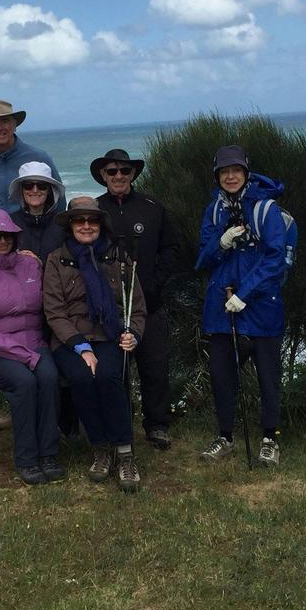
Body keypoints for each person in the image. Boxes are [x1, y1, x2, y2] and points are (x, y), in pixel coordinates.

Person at [43, 196, 146, 492]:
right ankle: (100, 448)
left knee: (109, 376)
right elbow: (54, 311)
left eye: (92, 220)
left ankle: (125, 452)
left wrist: (133, 334)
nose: (86, 225)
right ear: (70, 225)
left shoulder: (119, 258)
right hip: (70, 339)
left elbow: (136, 306)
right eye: (79, 220)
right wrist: (81, 347)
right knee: (81, 377)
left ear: (101, 224)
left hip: (110, 335)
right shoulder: (55, 259)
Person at [195, 145, 288, 467]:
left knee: (268, 377)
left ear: (246, 172)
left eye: (235, 170)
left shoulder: (266, 209)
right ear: (218, 176)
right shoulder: (214, 211)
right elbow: (202, 260)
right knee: (221, 376)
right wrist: (220, 244)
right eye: (224, 171)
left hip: (262, 307)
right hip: (221, 306)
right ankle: (225, 436)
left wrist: (246, 293)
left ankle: (269, 439)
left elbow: (276, 259)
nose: (230, 176)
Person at [0, 209, 64, 486]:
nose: (2, 240)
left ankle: (49, 453)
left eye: (7, 234)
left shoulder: (32, 266)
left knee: (50, 378)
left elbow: (49, 306)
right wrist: (20, 354)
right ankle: (27, 459)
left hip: (34, 343)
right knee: (24, 383)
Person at [92, 149, 181, 450]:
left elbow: (170, 249)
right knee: (116, 371)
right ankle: (120, 424)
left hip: (149, 305)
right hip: (109, 310)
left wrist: (154, 286)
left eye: (125, 171)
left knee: (154, 367)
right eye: (112, 171)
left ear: (133, 174)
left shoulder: (152, 207)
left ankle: (157, 425)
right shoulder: (94, 210)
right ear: (103, 175)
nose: (119, 176)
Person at [0, 100, 63, 214]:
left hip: (31, 230)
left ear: (15, 125)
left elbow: (59, 201)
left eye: (5, 121)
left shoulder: (39, 157)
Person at [8, 161, 66, 261]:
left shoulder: (62, 223)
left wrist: (41, 264)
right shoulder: (9, 223)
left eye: (42, 186)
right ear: (21, 190)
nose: (35, 190)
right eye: (28, 185)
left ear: (49, 190)